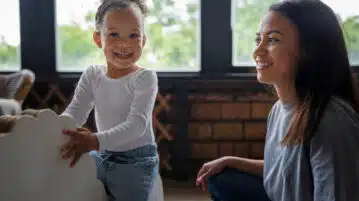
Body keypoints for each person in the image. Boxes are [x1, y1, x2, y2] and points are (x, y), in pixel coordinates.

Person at [196, 0, 359, 201]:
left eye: (272, 40)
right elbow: (286, 171)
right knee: (220, 179)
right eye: (258, 40)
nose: (257, 51)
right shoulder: (280, 110)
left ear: (309, 50)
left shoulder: (328, 121)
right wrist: (231, 161)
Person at [59, 0, 159, 200]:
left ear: (144, 41)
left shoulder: (145, 77)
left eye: (133, 35)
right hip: (101, 154)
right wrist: (55, 129)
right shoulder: (92, 74)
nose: (124, 43)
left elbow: (137, 125)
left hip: (135, 163)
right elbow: (75, 112)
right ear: (98, 39)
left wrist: (95, 140)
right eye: (114, 34)